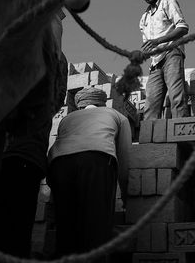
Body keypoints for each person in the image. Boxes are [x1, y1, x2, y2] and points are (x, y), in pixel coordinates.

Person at [0, 11, 67, 261]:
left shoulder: (1, 47)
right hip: (22, 156)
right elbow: (56, 101)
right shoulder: (55, 59)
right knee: (12, 237)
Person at [48, 87, 132, 258]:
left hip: (60, 164)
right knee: (96, 228)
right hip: (97, 161)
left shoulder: (67, 119)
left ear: (79, 105)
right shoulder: (117, 116)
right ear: (102, 102)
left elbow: (54, 149)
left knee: (66, 229)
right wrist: (125, 193)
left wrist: (53, 182)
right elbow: (124, 157)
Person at [138, 0, 190, 120]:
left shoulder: (167, 2)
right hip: (155, 63)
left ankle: (182, 136)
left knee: (176, 96)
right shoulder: (144, 18)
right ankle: (150, 140)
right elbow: (148, 44)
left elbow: (183, 28)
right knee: (151, 104)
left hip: (172, 53)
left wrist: (157, 41)